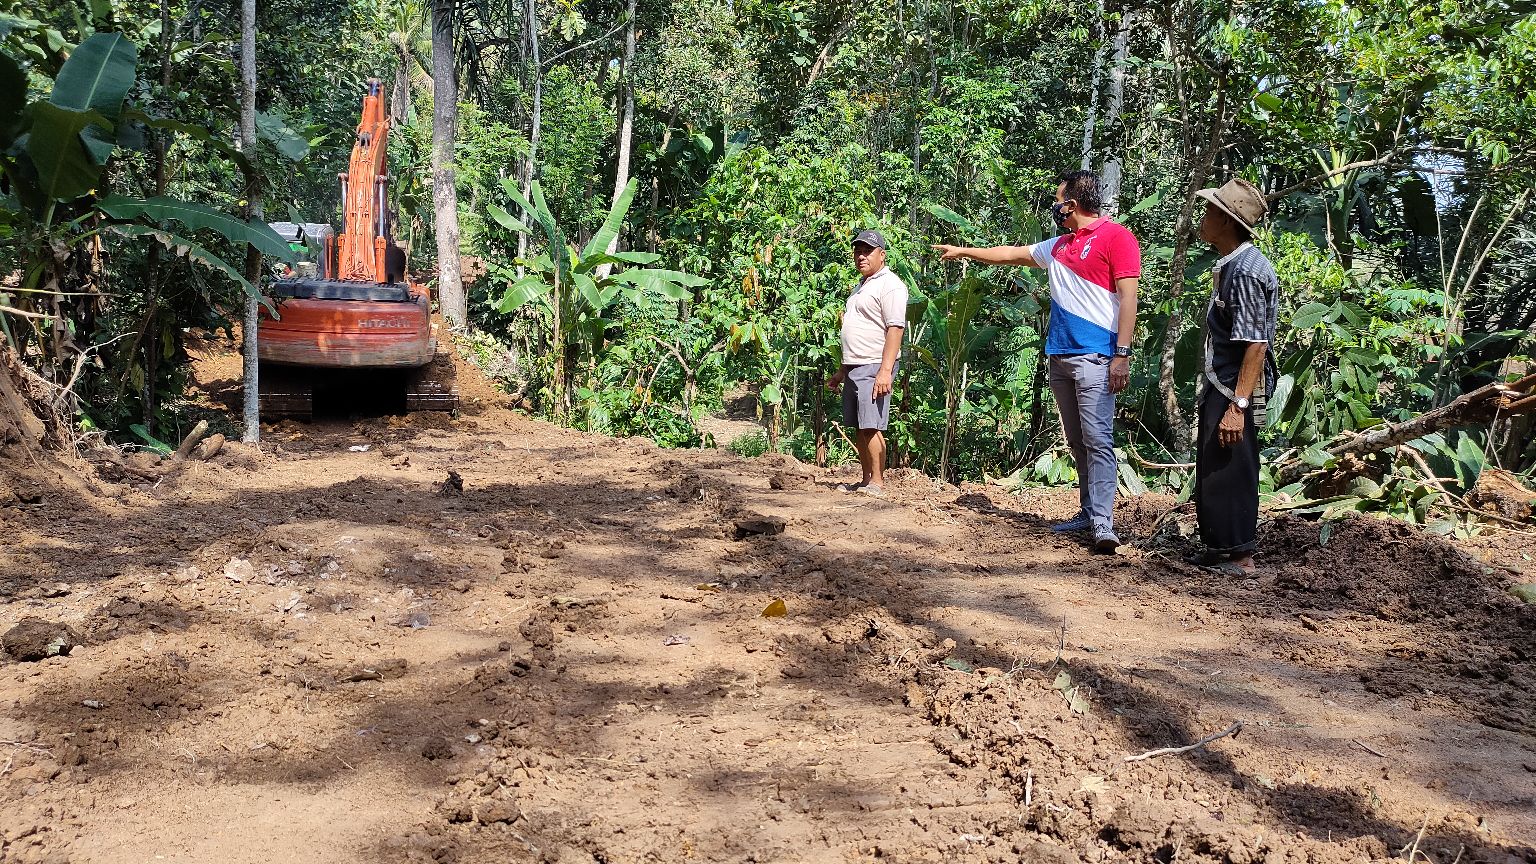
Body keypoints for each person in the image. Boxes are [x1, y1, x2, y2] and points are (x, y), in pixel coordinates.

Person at [933, 171, 1141, 552]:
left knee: (1098, 440)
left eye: (1059, 202)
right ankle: (1087, 512)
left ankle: (1103, 523)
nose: (1056, 208)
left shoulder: (1118, 238)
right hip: (1060, 356)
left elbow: (1129, 299)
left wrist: (1122, 355)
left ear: (1073, 205)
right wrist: (964, 251)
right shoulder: (1060, 245)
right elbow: (1012, 254)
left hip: (1096, 355)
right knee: (1078, 440)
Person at [1189, 177, 1278, 576]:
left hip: (1236, 386)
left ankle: (1240, 555)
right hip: (1222, 381)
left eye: (1210, 212)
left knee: (1234, 464)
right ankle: (1218, 547)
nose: (1203, 219)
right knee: (1214, 463)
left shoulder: (1245, 271)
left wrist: (1238, 405)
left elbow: (1255, 344)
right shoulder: (1233, 264)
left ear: (1227, 222)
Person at [826, 229, 908, 497]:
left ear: (882, 255)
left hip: (875, 364)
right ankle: (865, 480)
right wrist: (841, 371)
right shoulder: (860, 286)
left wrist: (885, 371)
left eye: (867, 251)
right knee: (860, 424)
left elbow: (895, 328)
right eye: (857, 251)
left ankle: (878, 483)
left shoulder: (890, 285)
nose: (861, 256)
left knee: (871, 424)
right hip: (855, 365)